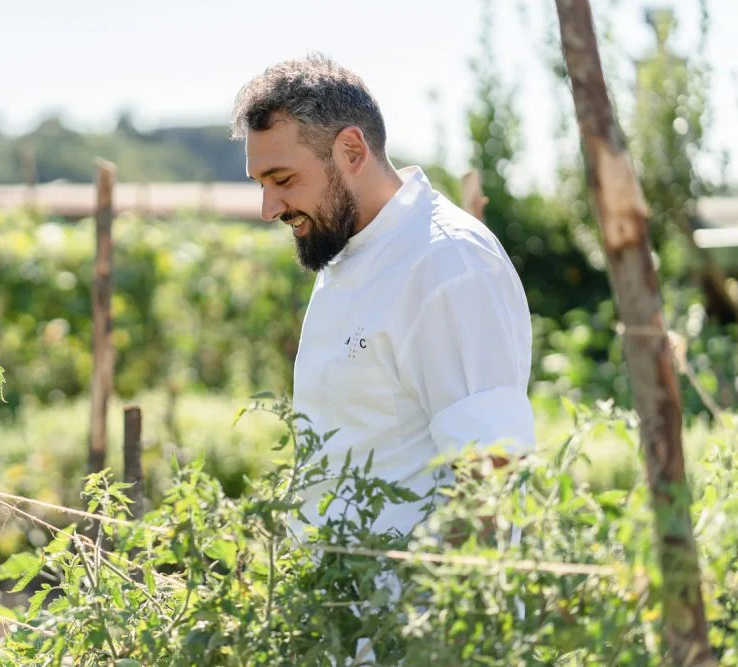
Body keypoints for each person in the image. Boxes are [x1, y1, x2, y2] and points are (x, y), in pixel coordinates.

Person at [230, 54, 537, 540]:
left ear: (352, 151)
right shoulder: (348, 248)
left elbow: (490, 475)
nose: (269, 209)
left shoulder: (447, 263)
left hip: (412, 611)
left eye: (283, 180)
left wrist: (443, 615)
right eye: (261, 184)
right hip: (340, 606)